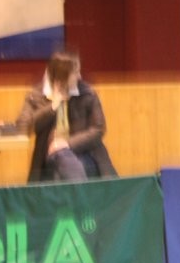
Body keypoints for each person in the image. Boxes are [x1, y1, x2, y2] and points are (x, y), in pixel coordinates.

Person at [16, 50, 117, 183]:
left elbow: (98, 129)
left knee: (63, 164)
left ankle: (79, 192)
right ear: (61, 76)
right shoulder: (37, 95)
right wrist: (52, 107)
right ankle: (82, 193)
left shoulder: (87, 92)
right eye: (75, 72)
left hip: (84, 150)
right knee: (63, 158)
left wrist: (67, 144)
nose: (80, 76)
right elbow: (23, 127)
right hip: (50, 156)